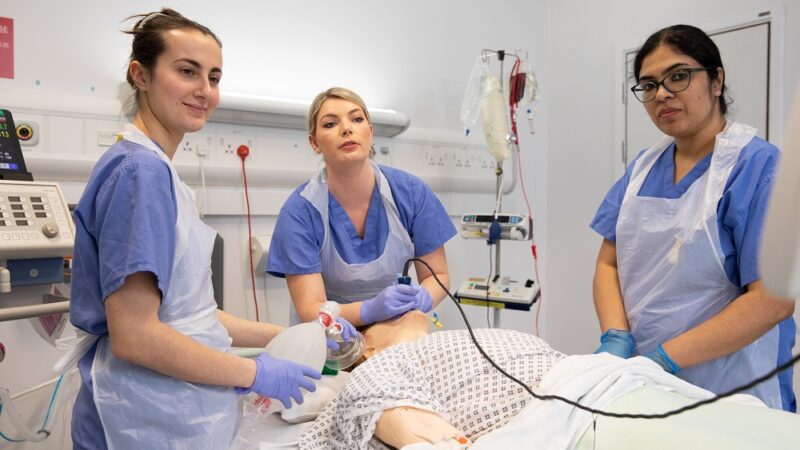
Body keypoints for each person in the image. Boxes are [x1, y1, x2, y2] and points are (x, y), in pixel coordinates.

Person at [66, 9, 325, 449]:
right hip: (139, 419)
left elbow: (188, 314)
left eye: (214, 77)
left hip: (168, 414)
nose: (204, 90)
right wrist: (255, 373)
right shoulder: (138, 174)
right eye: (187, 71)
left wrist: (287, 337)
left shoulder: (160, 173)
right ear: (140, 75)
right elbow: (136, 335)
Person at [590, 24, 796, 410]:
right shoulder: (641, 170)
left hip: (734, 387)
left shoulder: (759, 167)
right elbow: (608, 261)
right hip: (644, 381)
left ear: (716, 80)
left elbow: (773, 301)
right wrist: (617, 337)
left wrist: (664, 359)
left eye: (679, 76)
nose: (662, 93)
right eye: (649, 85)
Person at [298, 311, 800, 450]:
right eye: (372, 322)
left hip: (620, 386)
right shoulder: (379, 369)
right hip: (586, 424)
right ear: (366, 345)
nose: (412, 312)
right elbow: (418, 432)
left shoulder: (452, 338)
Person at [267, 87, 457, 326]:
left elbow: (437, 275)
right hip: (329, 335)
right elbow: (310, 309)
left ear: (370, 132)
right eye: (330, 124)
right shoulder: (300, 212)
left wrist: (423, 297)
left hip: (395, 326)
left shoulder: (411, 194)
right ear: (314, 143)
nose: (347, 128)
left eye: (357, 119)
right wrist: (369, 310)